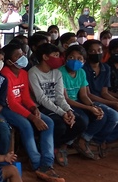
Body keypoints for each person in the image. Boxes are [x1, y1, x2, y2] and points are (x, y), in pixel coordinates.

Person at [2, 43, 63, 182]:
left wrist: (33, 108)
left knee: (49, 122)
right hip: (7, 108)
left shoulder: (23, 73)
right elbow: (11, 102)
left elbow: (25, 97)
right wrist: (32, 118)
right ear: (9, 61)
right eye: (18, 56)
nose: (22, 57)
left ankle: (47, 163)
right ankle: (36, 163)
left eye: (22, 54)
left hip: (21, 107)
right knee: (26, 125)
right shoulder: (5, 74)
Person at [27, 43, 86, 173]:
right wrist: (61, 113)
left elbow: (60, 96)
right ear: (45, 57)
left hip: (56, 106)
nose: (59, 59)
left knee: (80, 122)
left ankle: (57, 146)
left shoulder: (57, 73)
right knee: (59, 125)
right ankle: (43, 148)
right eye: (56, 55)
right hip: (41, 107)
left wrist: (68, 110)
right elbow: (41, 98)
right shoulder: (33, 72)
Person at [82, 40, 118, 157]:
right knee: (114, 116)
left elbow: (104, 92)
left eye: (99, 50)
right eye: (92, 51)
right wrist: (113, 103)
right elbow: (89, 95)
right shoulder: (83, 69)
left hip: (102, 99)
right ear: (87, 53)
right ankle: (95, 141)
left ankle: (106, 139)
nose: (96, 53)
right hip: (89, 100)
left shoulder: (105, 68)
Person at [60, 44, 111, 162]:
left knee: (101, 115)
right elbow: (65, 99)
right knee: (83, 119)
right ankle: (64, 145)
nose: (75, 61)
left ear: (84, 61)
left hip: (77, 102)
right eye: (71, 57)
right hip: (65, 104)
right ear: (66, 58)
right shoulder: (60, 73)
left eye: (79, 59)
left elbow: (83, 95)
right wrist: (88, 108)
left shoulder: (81, 72)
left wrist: (93, 106)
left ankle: (82, 141)